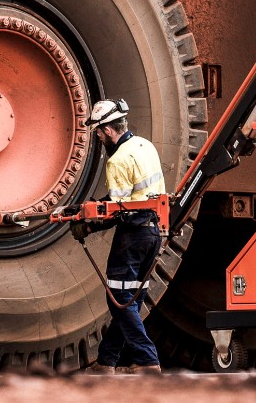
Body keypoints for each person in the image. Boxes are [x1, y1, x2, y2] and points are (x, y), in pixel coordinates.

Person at [71, 99, 164, 375]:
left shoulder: (118, 160)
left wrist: (86, 226)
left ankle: (148, 361)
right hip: (154, 233)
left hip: (132, 237)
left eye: (99, 133)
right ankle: (106, 361)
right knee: (129, 301)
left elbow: (115, 211)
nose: (99, 138)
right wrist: (84, 210)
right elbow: (128, 198)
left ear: (109, 130)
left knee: (119, 298)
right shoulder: (145, 146)